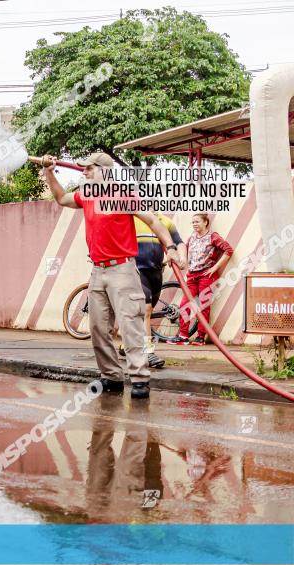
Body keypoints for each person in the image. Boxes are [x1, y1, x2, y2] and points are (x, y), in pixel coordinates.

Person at [42, 152, 184, 399]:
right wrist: (49, 172)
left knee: (131, 325)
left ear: (104, 170)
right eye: (83, 169)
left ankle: (139, 378)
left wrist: (170, 248)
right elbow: (62, 198)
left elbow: (153, 221)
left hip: (123, 269)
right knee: (98, 327)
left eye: (88, 169)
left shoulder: (123, 195)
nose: (83, 173)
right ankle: (111, 377)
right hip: (98, 270)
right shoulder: (86, 196)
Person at [118, 214, 186, 368]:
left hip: (155, 273)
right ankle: (148, 352)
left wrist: (182, 258)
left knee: (145, 311)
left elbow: (179, 242)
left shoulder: (164, 221)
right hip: (136, 270)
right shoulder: (131, 218)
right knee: (146, 310)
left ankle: (125, 346)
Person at [166, 213, 233, 346]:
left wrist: (215, 268)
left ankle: (200, 337)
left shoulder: (213, 237)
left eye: (197, 222)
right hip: (192, 275)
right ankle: (183, 336)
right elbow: (184, 251)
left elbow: (228, 250)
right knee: (185, 305)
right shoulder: (192, 238)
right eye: (193, 222)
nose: (195, 224)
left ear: (205, 223)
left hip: (206, 275)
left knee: (203, 306)